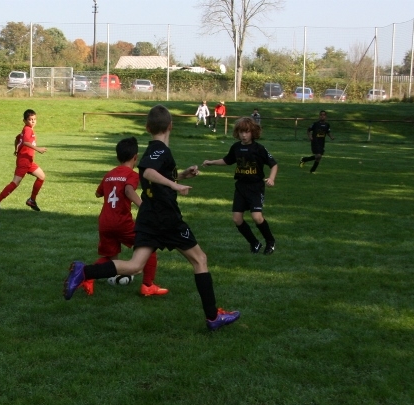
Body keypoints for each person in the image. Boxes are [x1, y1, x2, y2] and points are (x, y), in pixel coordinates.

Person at [64, 105, 240, 331]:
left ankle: (84, 271)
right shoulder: (160, 150)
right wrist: (174, 185)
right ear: (171, 126)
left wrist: (181, 175)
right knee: (200, 260)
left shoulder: (152, 150)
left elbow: (154, 175)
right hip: (165, 217)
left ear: (148, 128)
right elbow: (147, 172)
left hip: (148, 216)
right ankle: (213, 317)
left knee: (134, 266)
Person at [76, 137, 166, 297]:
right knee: (149, 246)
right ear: (135, 157)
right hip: (121, 222)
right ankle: (148, 285)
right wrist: (144, 207)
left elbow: (98, 194)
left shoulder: (109, 174)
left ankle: (86, 274)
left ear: (118, 156)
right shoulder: (132, 175)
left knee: (111, 260)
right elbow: (128, 191)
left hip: (105, 222)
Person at [202, 117, 278, 255]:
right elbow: (227, 160)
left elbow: (274, 164)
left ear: (253, 132)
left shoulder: (259, 149)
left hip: (255, 187)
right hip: (241, 187)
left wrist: (271, 178)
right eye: (241, 132)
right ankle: (254, 243)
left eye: (247, 132)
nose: (244, 135)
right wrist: (211, 162)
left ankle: (270, 241)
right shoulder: (236, 147)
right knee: (237, 219)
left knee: (257, 217)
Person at [0, 108, 47, 213]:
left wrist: (16, 149)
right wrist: (38, 149)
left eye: (34, 119)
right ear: (24, 121)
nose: (33, 121)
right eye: (30, 119)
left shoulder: (26, 129)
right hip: (24, 161)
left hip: (28, 161)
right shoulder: (28, 129)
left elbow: (17, 139)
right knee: (15, 183)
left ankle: (32, 200)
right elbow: (25, 142)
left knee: (41, 176)